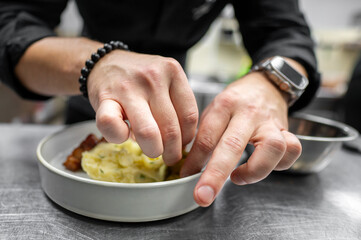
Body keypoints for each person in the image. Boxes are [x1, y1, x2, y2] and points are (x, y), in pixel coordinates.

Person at [0, 0, 320, 207]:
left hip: (178, 105)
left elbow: (285, 30)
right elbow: (10, 23)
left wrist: (272, 83)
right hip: (84, 88)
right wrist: (95, 63)